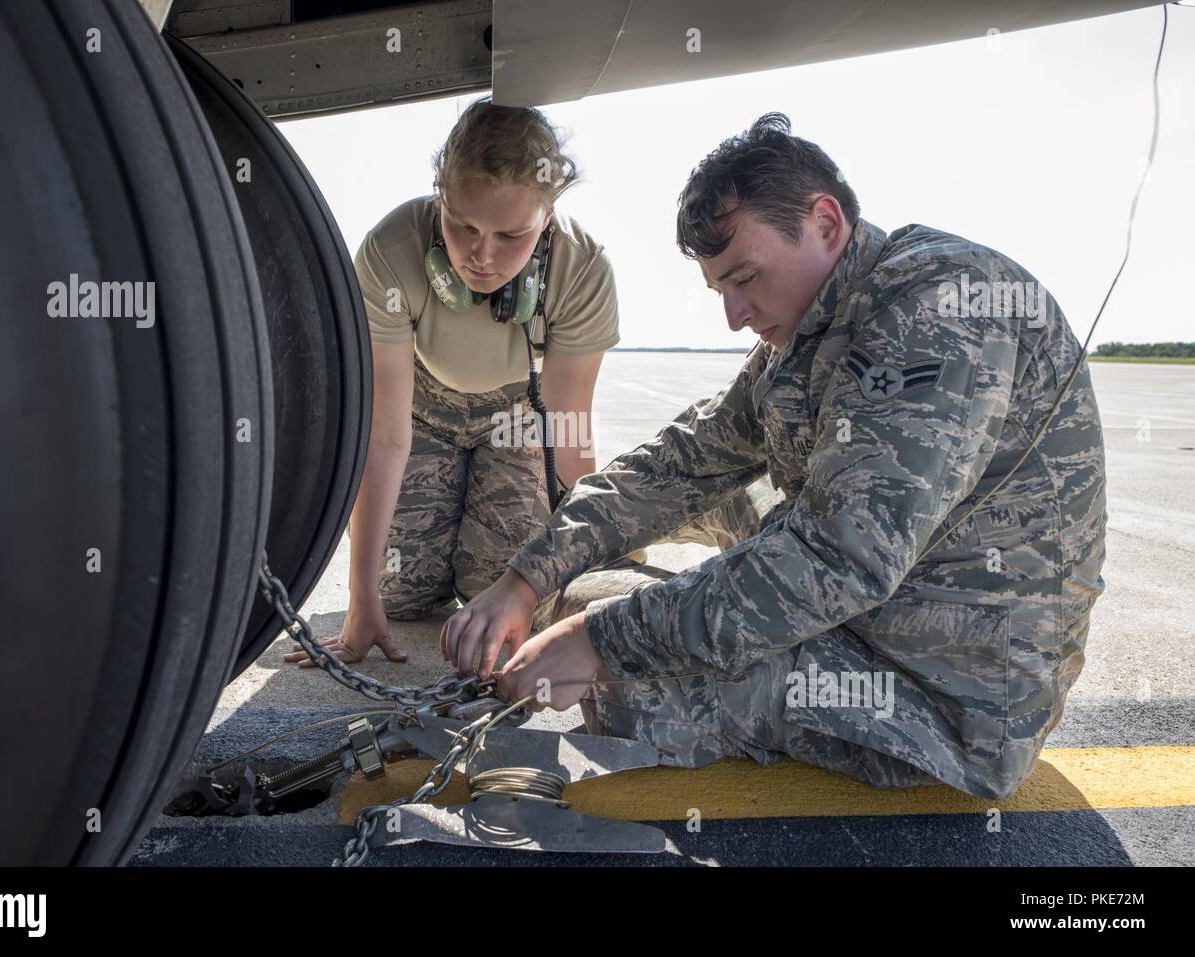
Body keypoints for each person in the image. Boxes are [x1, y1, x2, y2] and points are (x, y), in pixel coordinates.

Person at [441, 112, 1107, 800]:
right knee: (581, 599)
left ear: (824, 223)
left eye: (746, 278)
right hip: (872, 631)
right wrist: (525, 579)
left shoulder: (937, 310)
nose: (733, 314)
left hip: (946, 699)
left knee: (622, 677)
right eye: (720, 289)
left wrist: (603, 642)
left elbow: (840, 556)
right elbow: (683, 463)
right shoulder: (817, 325)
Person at [288, 97, 620, 666]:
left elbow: (567, 437)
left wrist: (586, 576)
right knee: (401, 593)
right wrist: (361, 599)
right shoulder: (392, 250)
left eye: (511, 235)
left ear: (547, 215)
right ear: (439, 195)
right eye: (462, 225)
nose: (480, 257)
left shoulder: (581, 268)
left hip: (518, 418)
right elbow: (385, 434)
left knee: (508, 586)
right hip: (421, 414)